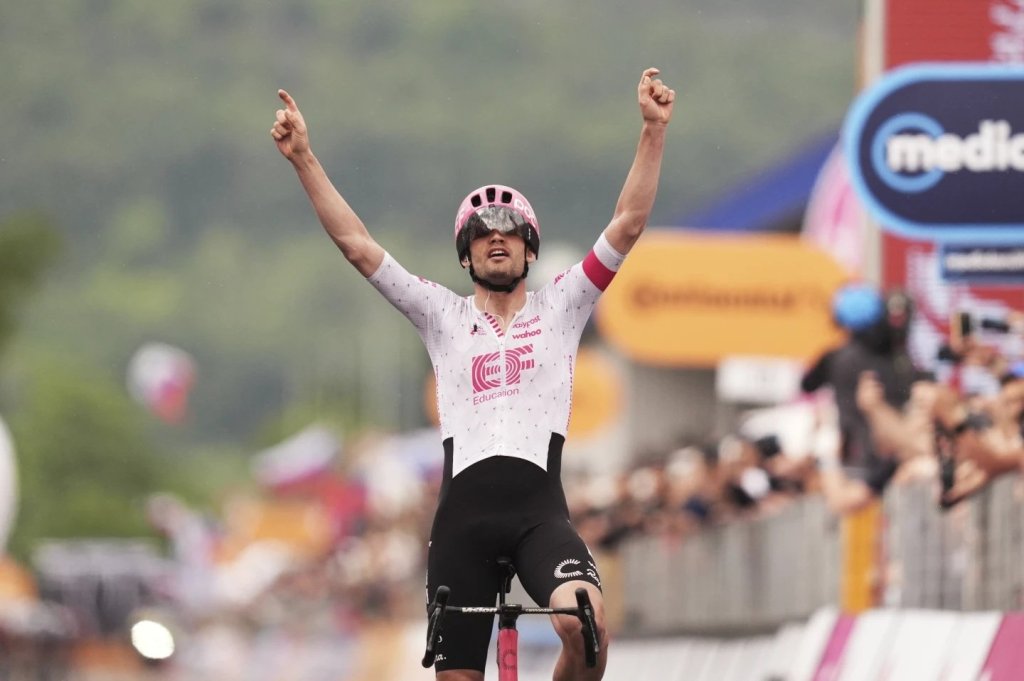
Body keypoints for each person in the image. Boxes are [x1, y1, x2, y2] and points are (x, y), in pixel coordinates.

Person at [271, 67, 675, 680]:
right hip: (462, 523)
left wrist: (652, 130)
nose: (497, 240)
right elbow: (358, 244)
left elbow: (627, 224)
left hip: (541, 516)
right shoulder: (441, 315)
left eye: (511, 233)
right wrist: (304, 158)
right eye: (482, 234)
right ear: (465, 255)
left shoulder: (563, 306)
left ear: (531, 249)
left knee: (586, 626)